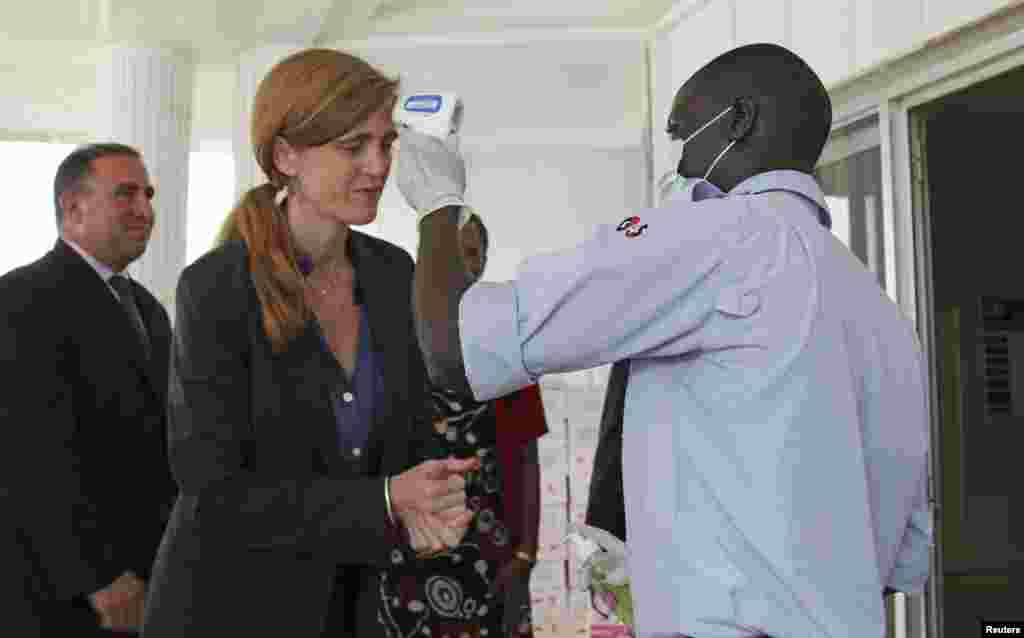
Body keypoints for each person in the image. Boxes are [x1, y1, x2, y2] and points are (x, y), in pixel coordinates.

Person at [394, 43, 933, 638]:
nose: (679, 161)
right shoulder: (882, 315)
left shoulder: (718, 238)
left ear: (738, 122)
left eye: (683, 134)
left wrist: (437, 201)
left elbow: (458, 351)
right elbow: (895, 562)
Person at [141, 48, 477, 638]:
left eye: (386, 143)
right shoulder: (217, 287)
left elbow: (408, 440)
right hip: (225, 610)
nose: (377, 165)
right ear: (285, 156)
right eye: (353, 147)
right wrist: (385, 499)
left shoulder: (393, 274)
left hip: (348, 610)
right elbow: (215, 492)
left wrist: (431, 503)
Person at [0, 143, 177, 636]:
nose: (145, 209)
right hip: (61, 596)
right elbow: (27, 457)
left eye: (148, 194)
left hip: (146, 581)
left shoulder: (146, 308)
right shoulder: (21, 300)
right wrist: (97, 576)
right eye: (126, 194)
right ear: (73, 208)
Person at [378, 216, 547, 638]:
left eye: (471, 253)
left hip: (491, 553)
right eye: (449, 253)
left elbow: (524, 458)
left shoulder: (508, 343)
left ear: (485, 261)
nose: (461, 264)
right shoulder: (391, 340)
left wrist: (524, 554)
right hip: (409, 547)